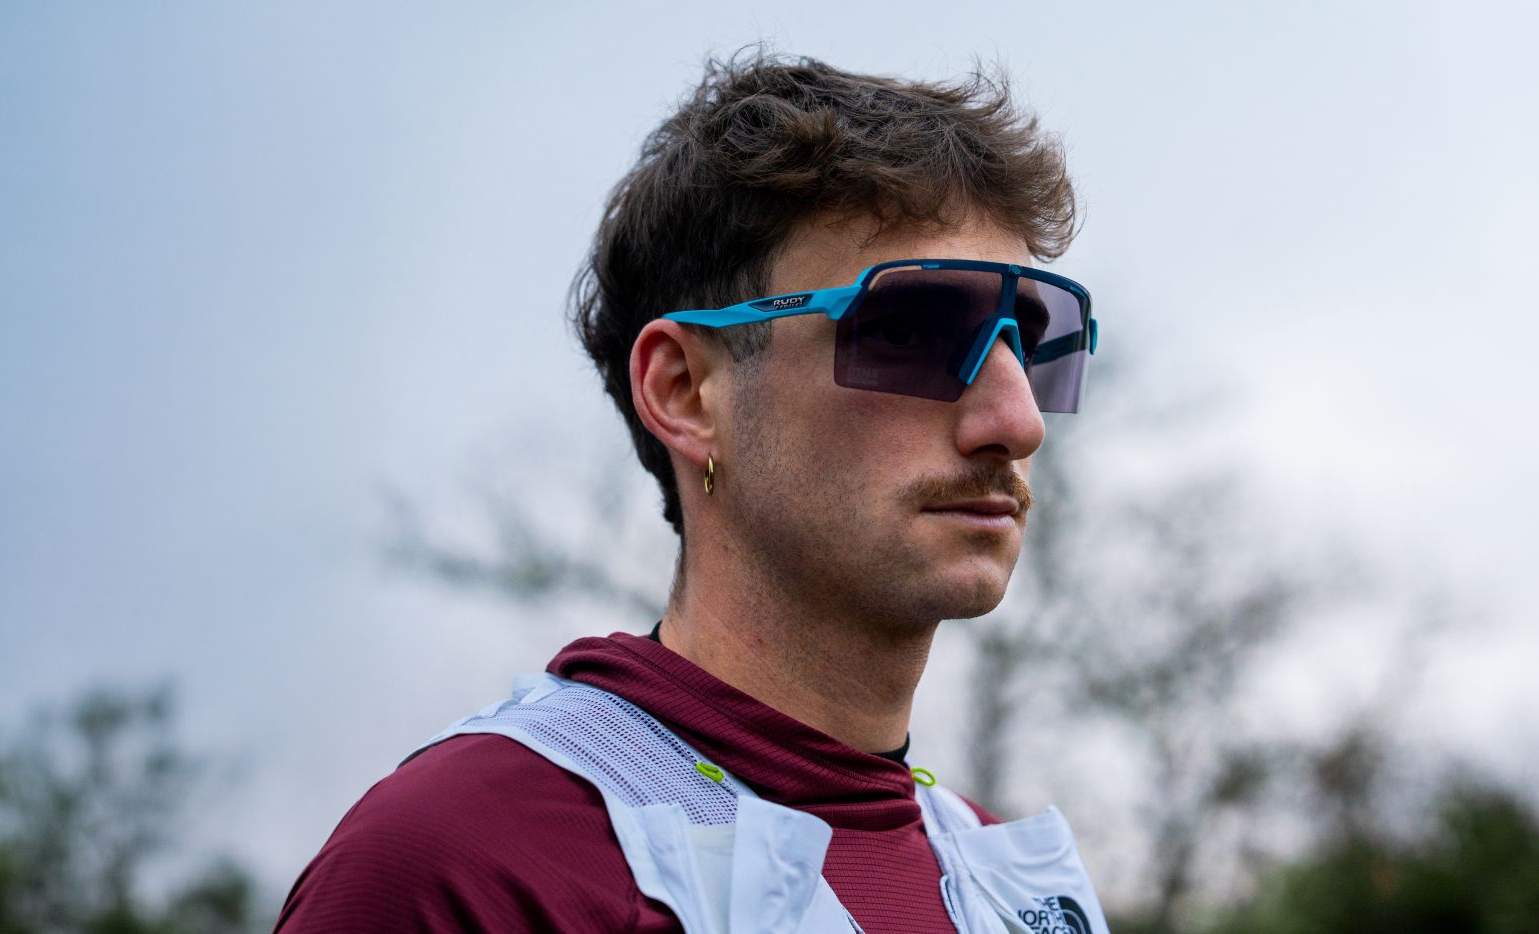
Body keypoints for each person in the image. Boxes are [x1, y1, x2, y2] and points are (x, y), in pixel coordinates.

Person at [277, 51, 1105, 933]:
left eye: (1029, 343)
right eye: (911, 331)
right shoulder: (463, 865)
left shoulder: (1019, 888)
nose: (1018, 421)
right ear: (684, 393)